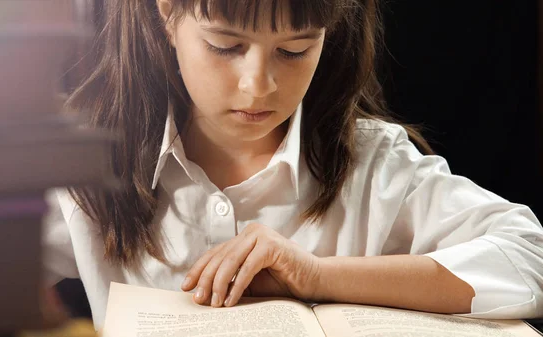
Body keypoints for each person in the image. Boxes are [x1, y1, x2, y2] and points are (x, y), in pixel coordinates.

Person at [44, 0, 543, 328]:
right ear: (168, 15)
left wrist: (317, 276)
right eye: (226, 46)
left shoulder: (374, 165)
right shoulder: (91, 157)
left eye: (294, 50)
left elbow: (529, 257)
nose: (258, 85)